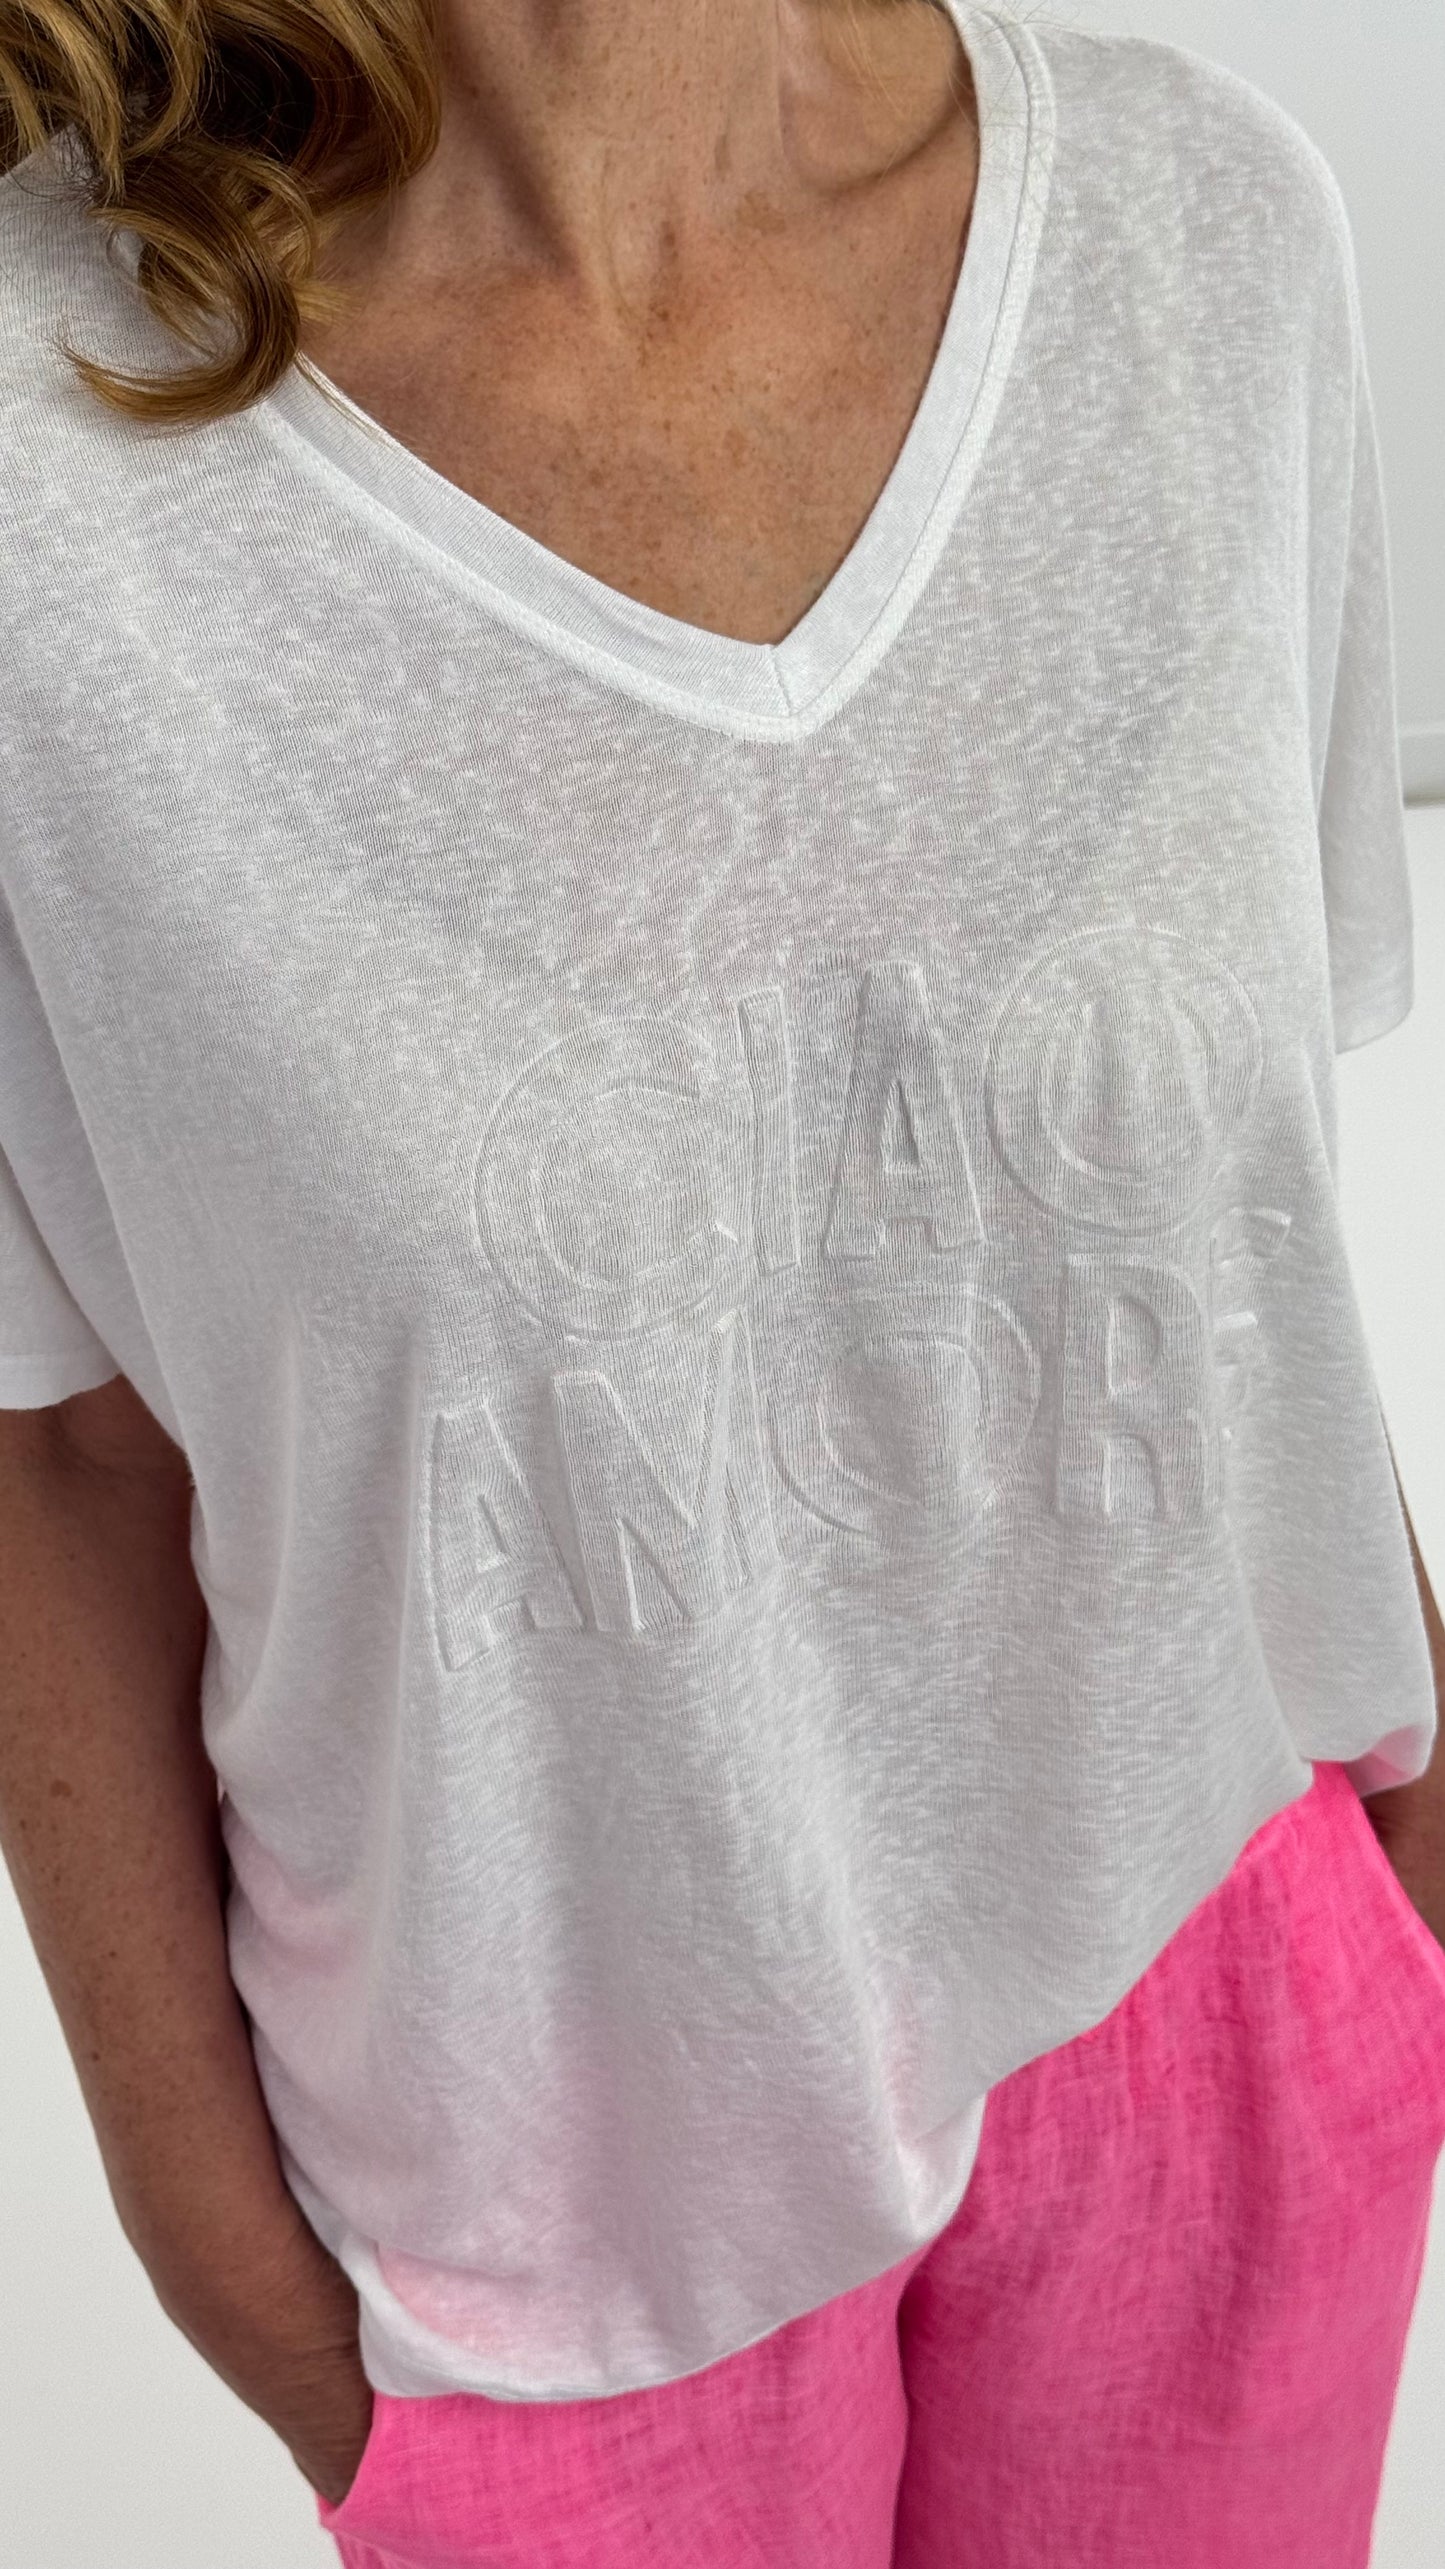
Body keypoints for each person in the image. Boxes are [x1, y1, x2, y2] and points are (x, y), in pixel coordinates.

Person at [0, 0, 1442, 2560]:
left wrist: (1407, 1839)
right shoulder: (40, 454)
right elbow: (63, 1442)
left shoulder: (1204, 234)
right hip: (534, 2203)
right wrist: (225, 2256)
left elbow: (1238, 1220)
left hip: (1226, 1973)